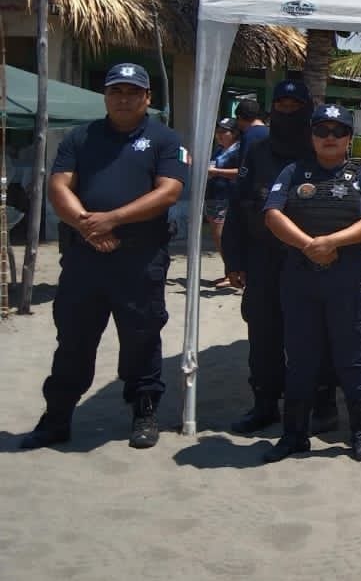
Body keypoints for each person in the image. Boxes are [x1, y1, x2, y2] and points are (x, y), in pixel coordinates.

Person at [19, 63, 186, 451]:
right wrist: (87, 227)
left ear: (148, 98)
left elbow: (169, 192)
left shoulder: (164, 139)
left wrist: (112, 220)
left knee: (141, 338)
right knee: (73, 339)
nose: (123, 98)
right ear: (106, 96)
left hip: (140, 258)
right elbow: (59, 185)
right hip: (84, 258)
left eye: (132, 91)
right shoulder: (81, 137)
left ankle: (144, 413)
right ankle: (56, 417)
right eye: (116, 91)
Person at [260, 104, 361, 462]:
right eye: (322, 131)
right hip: (301, 277)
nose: (329, 137)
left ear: (349, 137)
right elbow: (272, 215)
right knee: (300, 358)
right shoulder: (292, 171)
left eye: (337, 131)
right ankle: (294, 434)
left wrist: (333, 242)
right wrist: (309, 245)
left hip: (348, 276)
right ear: (311, 135)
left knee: (351, 358)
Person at [224, 79, 343, 436]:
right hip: (264, 259)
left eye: (296, 105)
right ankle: (264, 404)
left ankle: (323, 403)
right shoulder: (258, 150)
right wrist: (234, 260)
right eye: (282, 105)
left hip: (311, 258)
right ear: (271, 108)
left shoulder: (322, 147)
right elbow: (239, 205)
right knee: (263, 334)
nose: (288, 112)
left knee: (317, 334)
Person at [205, 118, 240, 260]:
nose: (219, 134)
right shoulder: (218, 149)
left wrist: (217, 172)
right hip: (212, 196)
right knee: (216, 235)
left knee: (223, 235)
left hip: (226, 197)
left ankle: (231, 271)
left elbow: (240, 172)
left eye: (223, 131)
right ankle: (228, 269)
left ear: (234, 133)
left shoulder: (239, 150)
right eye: (217, 131)